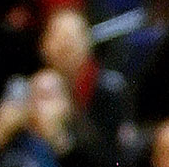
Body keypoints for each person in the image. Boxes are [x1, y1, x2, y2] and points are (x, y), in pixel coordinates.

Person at [40, 9, 131, 147]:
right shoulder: (36, 87)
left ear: (88, 43)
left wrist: (62, 138)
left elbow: (112, 153)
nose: (63, 47)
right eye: (57, 38)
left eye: (70, 41)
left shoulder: (109, 89)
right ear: (44, 46)